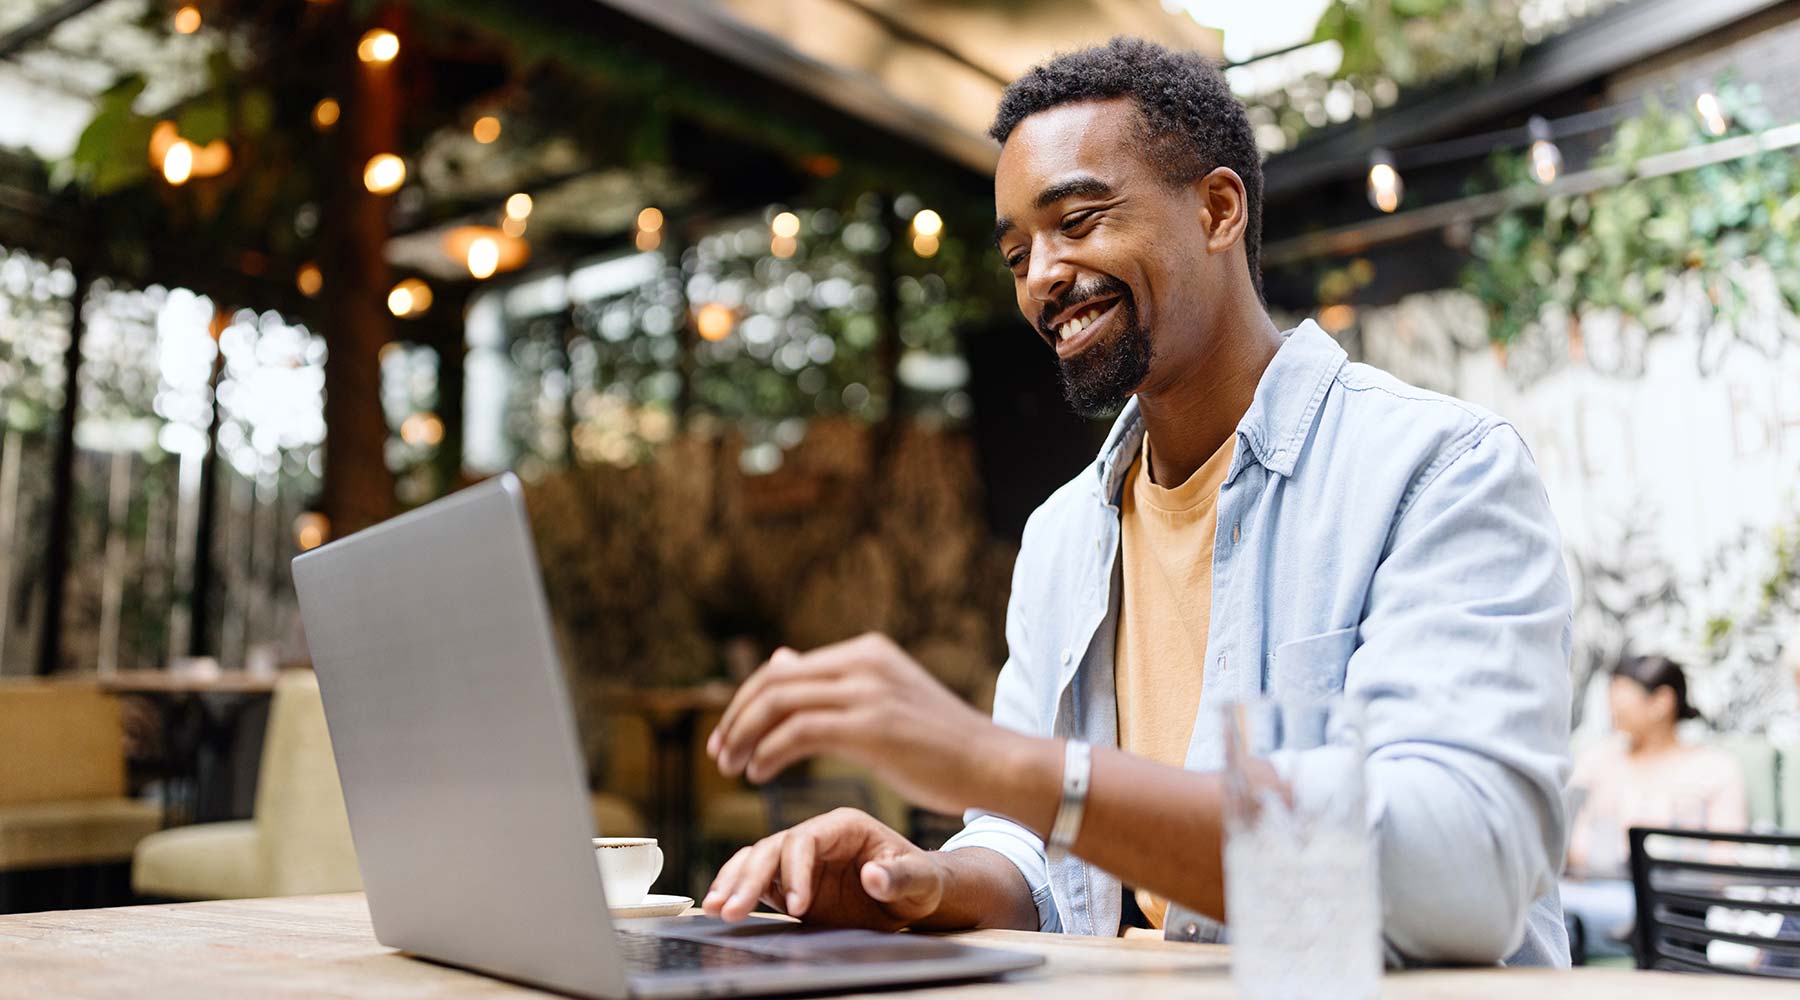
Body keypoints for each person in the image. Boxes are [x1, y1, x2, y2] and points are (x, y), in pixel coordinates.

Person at [702, 37, 1573, 966]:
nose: (1040, 276)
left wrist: (992, 761)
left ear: (1217, 208)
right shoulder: (1063, 536)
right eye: (1017, 253)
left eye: (1077, 220)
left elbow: (1465, 875)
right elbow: (1036, 855)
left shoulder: (1438, 471)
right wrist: (922, 887)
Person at [1565, 655, 1748, 877]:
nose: (1611, 705)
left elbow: (1724, 856)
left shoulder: (1715, 769)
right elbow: (1566, 841)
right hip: (1596, 896)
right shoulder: (1595, 761)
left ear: (1662, 701)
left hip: (1679, 903)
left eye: (1621, 694)